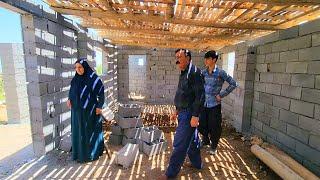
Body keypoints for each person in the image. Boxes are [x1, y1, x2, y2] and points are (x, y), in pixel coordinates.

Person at [159, 49, 205, 179]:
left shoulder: (195, 73)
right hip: (183, 112)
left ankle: (170, 173)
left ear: (188, 58)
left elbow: (200, 97)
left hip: (190, 114)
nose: (177, 59)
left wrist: (195, 116)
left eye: (180, 56)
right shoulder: (184, 72)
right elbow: (182, 94)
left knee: (179, 143)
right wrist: (177, 110)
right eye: (176, 57)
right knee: (193, 140)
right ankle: (197, 164)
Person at [199, 50, 238, 155]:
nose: (206, 60)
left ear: (214, 60)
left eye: (208, 58)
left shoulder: (221, 73)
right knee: (202, 124)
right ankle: (205, 140)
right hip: (204, 104)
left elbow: (233, 84)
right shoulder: (203, 72)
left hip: (214, 105)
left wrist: (221, 95)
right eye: (205, 58)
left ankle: (214, 145)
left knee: (214, 126)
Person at [67, 58, 105, 163]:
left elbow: (101, 93)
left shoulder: (93, 78)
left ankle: (90, 154)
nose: (78, 70)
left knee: (89, 132)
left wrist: (99, 106)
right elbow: (72, 91)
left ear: (85, 67)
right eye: (76, 68)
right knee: (78, 132)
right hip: (76, 111)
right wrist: (69, 99)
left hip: (90, 111)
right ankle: (79, 153)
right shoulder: (75, 79)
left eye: (80, 67)